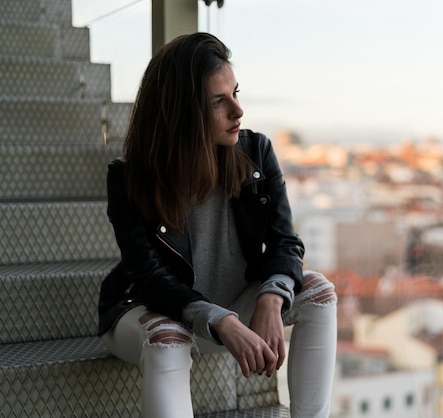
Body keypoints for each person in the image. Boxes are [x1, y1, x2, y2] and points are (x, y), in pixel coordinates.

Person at [97, 32, 337, 418]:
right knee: (168, 339)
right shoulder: (129, 179)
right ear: (181, 112)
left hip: (234, 310)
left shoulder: (256, 153)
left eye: (236, 94)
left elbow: (285, 242)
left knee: (319, 293)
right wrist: (219, 319)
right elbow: (152, 279)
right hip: (152, 311)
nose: (238, 111)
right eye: (218, 102)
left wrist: (272, 299)